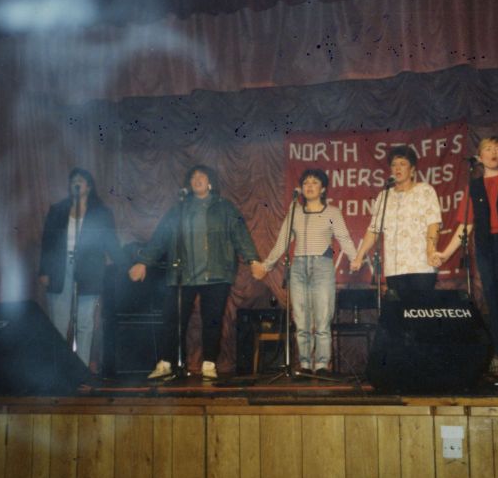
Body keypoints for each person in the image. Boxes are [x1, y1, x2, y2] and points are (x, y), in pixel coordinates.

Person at [129, 165, 261, 380]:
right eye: (193, 177)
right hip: (182, 274)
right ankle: (166, 363)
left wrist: (253, 260)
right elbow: (160, 238)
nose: (197, 179)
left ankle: (209, 363)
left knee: (212, 320)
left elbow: (240, 234)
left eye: (202, 176)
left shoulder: (224, 208)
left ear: (210, 181)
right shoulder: (178, 209)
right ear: (188, 183)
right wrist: (143, 262)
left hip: (216, 273)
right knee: (172, 319)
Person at [433, 136, 498, 377]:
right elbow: (465, 227)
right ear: (479, 158)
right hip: (488, 251)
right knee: (497, 307)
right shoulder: (475, 187)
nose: (494, 153)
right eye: (488, 149)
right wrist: (444, 254)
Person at [252, 169, 358, 376]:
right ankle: (306, 364)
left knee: (322, 320)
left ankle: (321, 365)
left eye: (315, 182)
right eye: (306, 182)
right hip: (299, 267)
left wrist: (355, 258)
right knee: (301, 321)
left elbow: (344, 238)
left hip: (322, 267)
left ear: (323, 188)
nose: (309, 186)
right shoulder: (295, 212)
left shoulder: (332, 212)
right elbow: (283, 241)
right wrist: (267, 265)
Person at [39, 167, 127, 368]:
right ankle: (57, 369)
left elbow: (110, 241)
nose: (76, 183)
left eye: (80, 180)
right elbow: (48, 242)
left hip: (89, 272)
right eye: (73, 181)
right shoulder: (58, 209)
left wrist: (125, 265)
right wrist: (43, 270)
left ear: (89, 186)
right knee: (59, 323)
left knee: (85, 323)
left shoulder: (101, 212)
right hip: (59, 270)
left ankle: (81, 368)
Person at [350, 146, 442, 300]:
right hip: (394, 269)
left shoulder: (425, 191)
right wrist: (359, 256)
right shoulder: (384, 196)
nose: (397, 168)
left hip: (421, 266)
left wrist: (430, 251)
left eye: (403, 163)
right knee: (400, 316)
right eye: (394, 164)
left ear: (412, 169)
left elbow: (433, 224)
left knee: (421, 316)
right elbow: (373, 230)